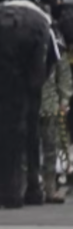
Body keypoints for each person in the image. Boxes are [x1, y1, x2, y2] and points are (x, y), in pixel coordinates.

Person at [39, 28, 71, 203]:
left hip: (49, 102)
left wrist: (64, 99)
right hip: (33, 102)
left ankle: (49, 186)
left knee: (50, 147)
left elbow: (63, 72)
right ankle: (25, 184)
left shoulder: (54, 42)